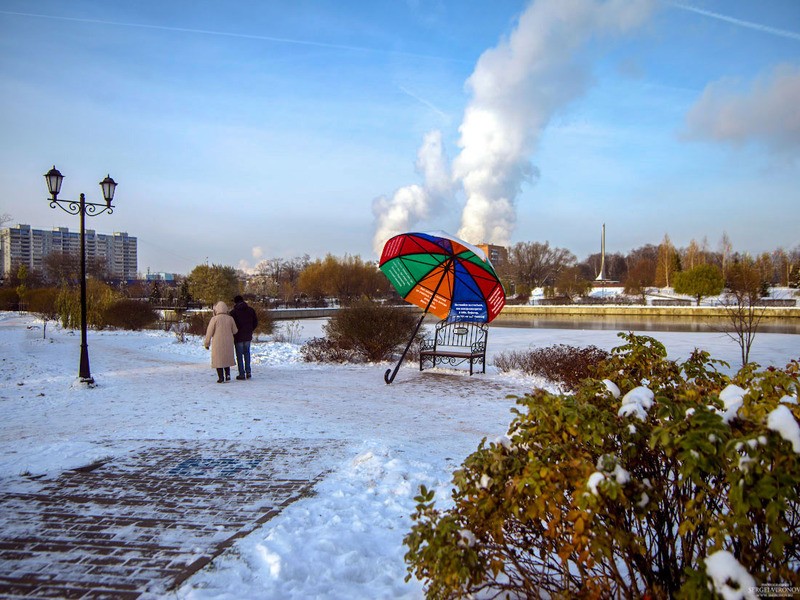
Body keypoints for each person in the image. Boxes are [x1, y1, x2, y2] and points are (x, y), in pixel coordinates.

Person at [203, 301, 238, 383]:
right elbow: (235, 331)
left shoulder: (214, 319)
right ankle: (228, 375)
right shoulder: (230, 318)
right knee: (226, 359)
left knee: (219, 360)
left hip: (217, 343)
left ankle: (221, 377)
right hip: (228, 342)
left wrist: (207, 343)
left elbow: (209, 332)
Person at [230, 294, 258, 380]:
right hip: (248, 336)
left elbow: (232, 326)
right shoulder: (250, 310)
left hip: (238, 337)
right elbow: (255, 322)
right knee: (247, 353)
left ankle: (241, 373)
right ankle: (248, 371)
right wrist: (250, 330)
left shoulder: (233, 312)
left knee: (239, 355)